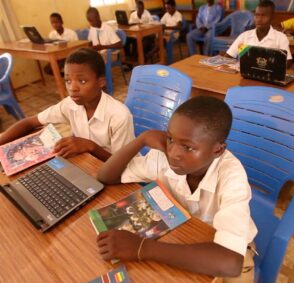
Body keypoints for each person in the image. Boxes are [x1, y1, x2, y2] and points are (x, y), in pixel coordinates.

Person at [96, 96, 257, 281]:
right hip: (183, 233)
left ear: (218, 150)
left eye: (187, 148)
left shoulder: (232, 176)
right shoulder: (163, 155)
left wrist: (142, 248)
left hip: (227, 248)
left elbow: (230, 262)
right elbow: (106, 176)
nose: (173, 153)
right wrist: (141, 140)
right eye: (170, 138)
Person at [0, 48, 135, 162]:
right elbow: (30, 122)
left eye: (82, 81)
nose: (72, 88)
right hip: (85, 164)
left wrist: (91, 146)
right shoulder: (70, 104)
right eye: (68, 81)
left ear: (101, 82)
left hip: (114, 172)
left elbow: (121, 164)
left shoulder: (119, 116)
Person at [226, 0, 292, 65]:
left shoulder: (280, 38)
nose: (259, 19)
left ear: (272, 17)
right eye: (257, 15)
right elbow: (228, 56)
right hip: (245, 74)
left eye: (264, 16)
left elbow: (287, 62)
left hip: (268, 74)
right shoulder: (244, 36)